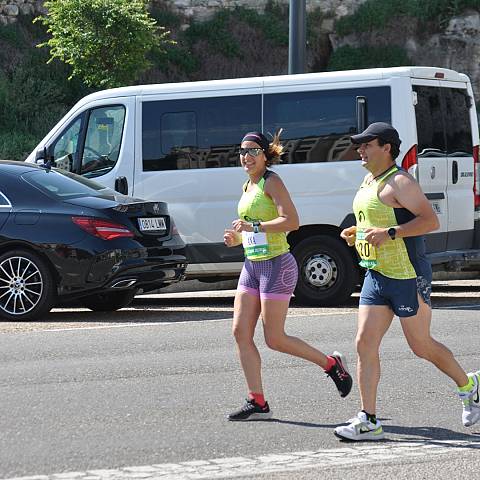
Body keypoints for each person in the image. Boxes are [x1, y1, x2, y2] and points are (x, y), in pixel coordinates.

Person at [335, 122, 480, 441]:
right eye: (359, 144)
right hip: (375, 272)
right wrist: (357, 234)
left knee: (421, 346)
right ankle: (369, 419)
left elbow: (430, 220)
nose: (360, 149)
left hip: (407, 275)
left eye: (366, 144)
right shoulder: (368, 179)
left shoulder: (400, 181)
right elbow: (375, 220)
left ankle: (470, 387)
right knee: (363, 343)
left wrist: (390, 233)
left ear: (386, 147)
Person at [224, 130, 352, 421]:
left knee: (275, 338)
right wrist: (237, 238)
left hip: (277, 265)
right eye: (242, 151)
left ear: (266, 155)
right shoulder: (248, 185)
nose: (246, 156)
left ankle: (331, 364)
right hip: (252, 265)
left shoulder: (272, 181)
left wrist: (253, 227)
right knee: (240, 332)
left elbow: (291, 221)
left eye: (253, 151)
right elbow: (250, 227)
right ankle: (258, 403)